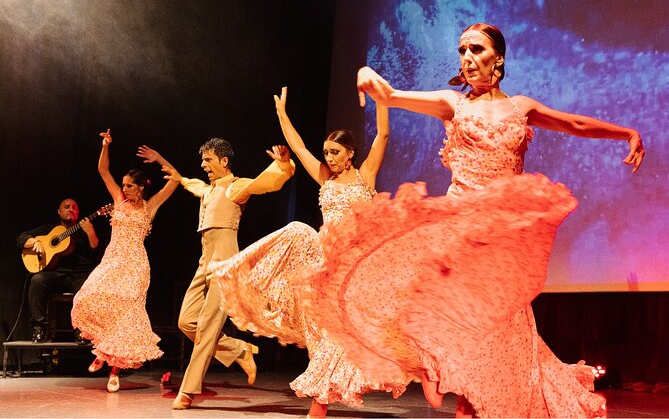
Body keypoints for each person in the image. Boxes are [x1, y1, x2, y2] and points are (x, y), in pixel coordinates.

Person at [300, 23, 645, 418]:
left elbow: (575, 124)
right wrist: (370, 78)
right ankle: (433, 362)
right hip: (459, 224)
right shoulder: (454, 104)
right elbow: (392, 95)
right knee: (428, 298)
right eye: (462, 50)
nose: (467, 58)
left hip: (501, 237)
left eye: (476, 49)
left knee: (498, 335)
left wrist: (626, 132)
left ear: (497, 57)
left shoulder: (521, 107)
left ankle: (466, 398)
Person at [209, 87, 409, 418]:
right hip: (321, 262)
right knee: (297, 231)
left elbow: (384, 134)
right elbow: (298, 146)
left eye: (334, 152)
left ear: (350, 153)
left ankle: (319, 403)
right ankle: (240, 271)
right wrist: (282, 115)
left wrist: (381, 98)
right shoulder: (323, 177)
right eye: (326, 152)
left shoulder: (365, 176)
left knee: (340, 332)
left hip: (352, 265)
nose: (328, 158)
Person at [166, 136, 296, 410]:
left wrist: (283, 165)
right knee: (186, 321)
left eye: (209, 160)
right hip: (205, 263)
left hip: (225, 265)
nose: (204, 165)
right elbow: (194, 185)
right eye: (202, 160)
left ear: (224, 161)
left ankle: (187, 391)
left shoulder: (235, 188)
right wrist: (178, 177)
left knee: (207, 326)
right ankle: (239, 350)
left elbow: (265, 183)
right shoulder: (210, 190)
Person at [71, 129, 179, 393]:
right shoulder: (118, 200)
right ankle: (101, 351)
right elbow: (103, 170)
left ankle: (114, 371)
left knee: (126, 318)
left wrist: (159, 158)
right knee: (88, 297)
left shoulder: (150, 206)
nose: (124, 188)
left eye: (130, 185)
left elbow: (176, 179)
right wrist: (106, 145)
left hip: (136, 266)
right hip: (112, 261)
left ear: (141, 187)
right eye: (124, 184)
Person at [17, 199, 100, 343]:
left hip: (79, 276)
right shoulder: (50, 229)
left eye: (74, 207)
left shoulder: (83, 230)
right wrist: (35, 242)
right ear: (59, 211)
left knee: (90, 286)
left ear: (78, 213)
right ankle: (39, 328)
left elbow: (97, 253)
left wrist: (91, 232)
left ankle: (82, 330)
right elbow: (21, 238)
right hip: (55, 275)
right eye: (67, 207)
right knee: (37, 280)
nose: (71, 210)